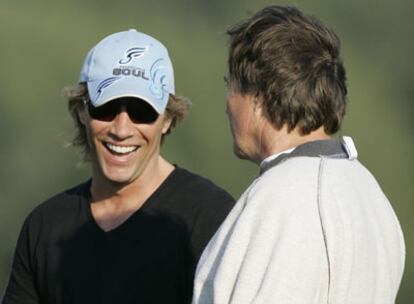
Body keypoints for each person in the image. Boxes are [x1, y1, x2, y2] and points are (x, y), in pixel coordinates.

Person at [3, 29, 235, 304]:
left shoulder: (210, 217)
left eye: (142, 112)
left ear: (167, 119)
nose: (122, 129)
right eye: (106, 108)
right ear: (81, 110)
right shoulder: (44, 226)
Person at [192, 5, 405, 304]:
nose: (228, 103)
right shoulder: (370, 192)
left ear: (258, 96)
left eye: (232, 85)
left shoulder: (286, 196)